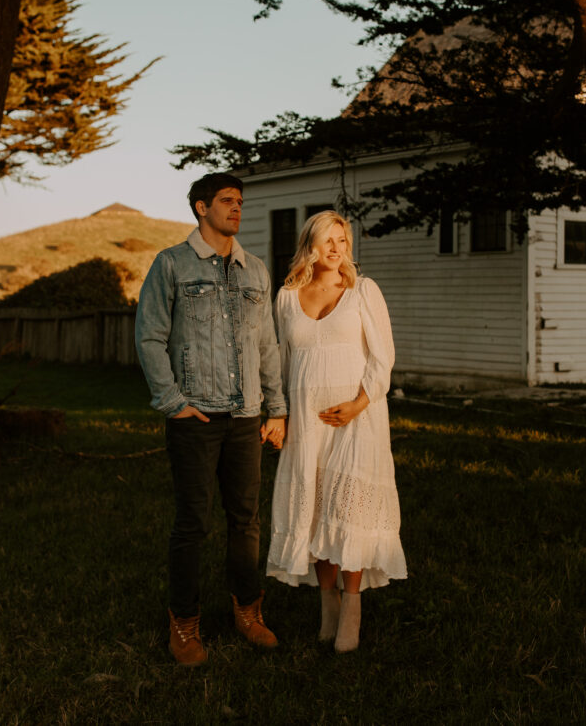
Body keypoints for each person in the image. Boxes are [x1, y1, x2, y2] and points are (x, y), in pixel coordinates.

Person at [135, 172, 287, 667]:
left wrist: (277, 407)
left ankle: (248, 611)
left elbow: (267, 345)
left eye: (240, 201)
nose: (236, 208)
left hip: (246, 415)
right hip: (195, 416)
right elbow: (149, 338)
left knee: (245, 520)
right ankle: (184, 623)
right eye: (226, 200)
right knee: (192, 523)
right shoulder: (172, 265)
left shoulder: (255, 271)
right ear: (201, 208)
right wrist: (172, 401)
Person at [266, 210, 407, 652]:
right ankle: (327, 606)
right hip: (309, 423)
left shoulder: (364, 291)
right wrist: (281, 414)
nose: (335, 248)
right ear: (309, 243)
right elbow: (284, 363)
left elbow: (383, 360)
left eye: (341, 241)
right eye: (326, 240)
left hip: (356, 420)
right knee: (316, 511)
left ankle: (352, 607)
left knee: (349, 511)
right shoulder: (288, 296)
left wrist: (358, 405)